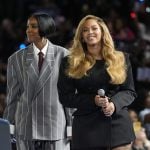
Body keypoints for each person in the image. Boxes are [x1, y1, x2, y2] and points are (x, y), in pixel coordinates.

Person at [57, 15, 137, 150]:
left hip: (117, 125)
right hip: (86, 128)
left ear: (103, 32)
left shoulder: (121, 58)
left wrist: (114, 104)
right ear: (81, 36)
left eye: (94, 28)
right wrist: (92, 100)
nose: (90, 32)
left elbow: (129, 91)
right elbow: (65, 97)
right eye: (85, 30)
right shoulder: (70, 62)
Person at [3, 11, 72, 150]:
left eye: (33, 26)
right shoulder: (15, 59)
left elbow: (69, 96)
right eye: (28, 26)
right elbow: (12, 98)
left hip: (55, 127)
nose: (28, 30)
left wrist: (72, 127)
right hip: (26, 127)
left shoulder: (64, 55)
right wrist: (8, 127)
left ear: (45, 28)